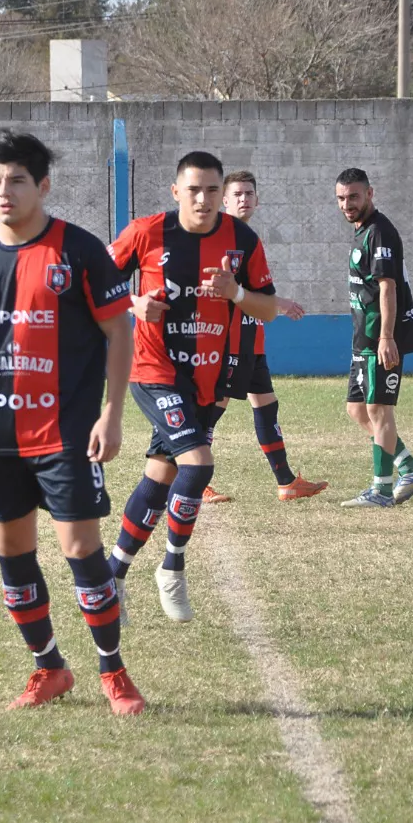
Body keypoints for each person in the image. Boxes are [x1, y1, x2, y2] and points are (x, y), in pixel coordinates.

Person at [0, 130, 144, 715]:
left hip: (66, 432)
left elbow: (118, 330)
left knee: (81, 549)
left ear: (43, 186)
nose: (5, 191)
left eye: (17, 181)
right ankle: (49, 668)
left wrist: (112, 413)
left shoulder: (78, 250)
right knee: (13, 554)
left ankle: (114, 672)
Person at [106, 151, 279, 624]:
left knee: (161, 474)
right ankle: (172, 567)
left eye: (212, 190)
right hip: (153, 369)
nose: (203, 199)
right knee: (198, 465)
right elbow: (92, 283)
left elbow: (268, 308)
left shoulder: (242, 239)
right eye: (194, 190)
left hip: (206, 377)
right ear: (176, 191)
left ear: (223, 193)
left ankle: (112, 574)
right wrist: (134, 302)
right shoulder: (146, 232)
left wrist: (236, 293)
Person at [199, 170, 328, 504]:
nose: (244, 199)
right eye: (237, 194)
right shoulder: (220, 237)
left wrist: (272, 303)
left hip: (251, 337)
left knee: (267, 406)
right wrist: (278, 303)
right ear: (224, 201)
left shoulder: (248, 239)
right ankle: (192, 481)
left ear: (257, 199)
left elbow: (252, 289)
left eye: (249, 193)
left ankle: (287, 482)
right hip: (228, 340)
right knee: (212, 410)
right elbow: (223, 289)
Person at [334, 168, 413, 509]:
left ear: (370, 194)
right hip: (363, 338)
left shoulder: (380, 232)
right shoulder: (362, 231)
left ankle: (382, 490)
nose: (347, 204)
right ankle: (410, 469)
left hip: (380, 338)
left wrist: (386, 337)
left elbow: (388, 287)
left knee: (378, 409)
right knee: (357, 409)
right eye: (341, 198)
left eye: (354, 196)